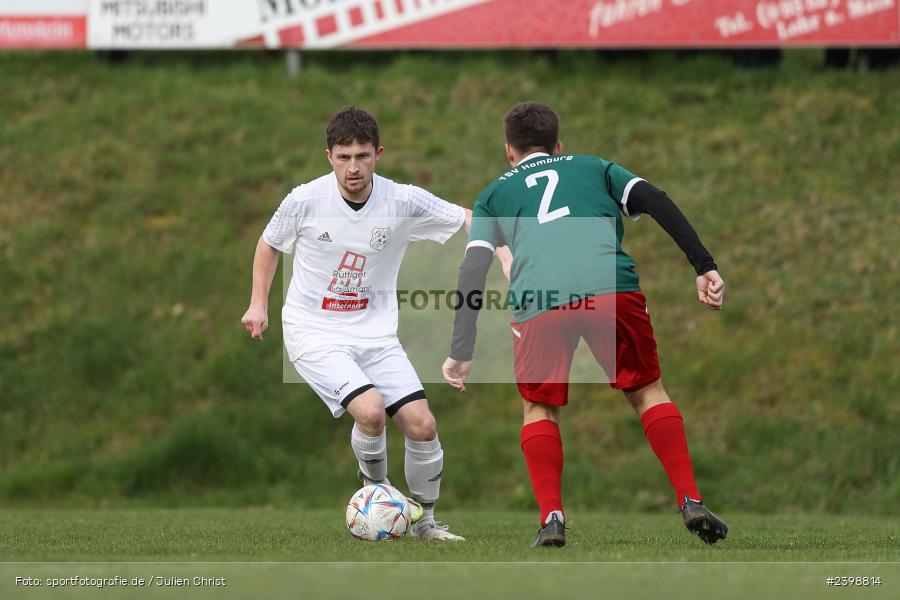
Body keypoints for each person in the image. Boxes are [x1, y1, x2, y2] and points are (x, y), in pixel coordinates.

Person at [442, 102, 728, 547]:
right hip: (610, 288)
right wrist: (703, 265)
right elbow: (656, 200)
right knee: (647, 390)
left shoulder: (493, 195)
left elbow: (473, 269)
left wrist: (462, 348)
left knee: (539, 408)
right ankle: (690, 499)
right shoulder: (595, 167)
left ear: (509, 153)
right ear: (558, 145)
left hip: (540, 300)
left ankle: (552, 518)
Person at [241, 106, 485, 541]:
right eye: (344, 157)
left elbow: (465, 217)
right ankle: (378, 499)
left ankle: (425, 524)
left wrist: (504, 246)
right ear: (328, 156)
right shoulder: (303, 200)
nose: (353, 167)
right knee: (371, 413)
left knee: (423, 425)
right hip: (314, 332)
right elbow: (268, 244)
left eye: (363, 156)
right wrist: (258, 303)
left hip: (376, 335)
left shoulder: (402, 200)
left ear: (378, 154)